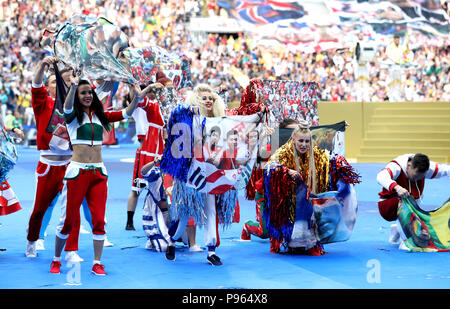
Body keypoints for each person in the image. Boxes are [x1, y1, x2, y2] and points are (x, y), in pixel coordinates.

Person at [50, 72, 153, 275]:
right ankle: (56, 259)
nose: (87, 95)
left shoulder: (101, 116)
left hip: (98, 173)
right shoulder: (71, 117)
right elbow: (67, 106)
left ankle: (97, 262)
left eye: (89, 92)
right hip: (77, 173)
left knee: (99, 220)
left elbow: (125, 113)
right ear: (77, 96)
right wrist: (72, 86)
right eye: (83, 93)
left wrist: (138, 98)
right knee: (67, 221)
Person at [263, 120, 360, 255]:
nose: (304, 145)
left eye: (307, 141)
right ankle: (279, 237)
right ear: (294, 140)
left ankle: (309, 241)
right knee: (269, 230)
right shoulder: (283, 152)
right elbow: (269, 167)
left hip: (307, 197)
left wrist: (340, 164)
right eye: (301, 141)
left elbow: (330, 159)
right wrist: (286, 172)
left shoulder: (315, 152)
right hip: (288, 198)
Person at [25, 56, 83, 258]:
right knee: (40, 209)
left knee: (72, 210)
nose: (58, 84)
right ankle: (32, 240)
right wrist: (42, 66)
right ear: (48, 87)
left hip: (69, 163)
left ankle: (71, 249)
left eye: (61, 82)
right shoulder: (42, 103)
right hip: (48, 165)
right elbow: (35, 83)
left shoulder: (75, 105)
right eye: (54, 82)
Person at [165, 83, 227, 266]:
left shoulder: (219, 120)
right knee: (184, 214)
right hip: (190, 172)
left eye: (211, 98)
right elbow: (173, 121)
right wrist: (186, 110)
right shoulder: (187, 117)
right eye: (204, 98)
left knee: (211, 211)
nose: (208, 101)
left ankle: (211, 251)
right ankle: (172, 241)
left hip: (210, 172)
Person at [376, 153, 450, 247]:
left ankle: (398, 229)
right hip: (387, 205)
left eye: (421, 177)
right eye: (415, 176)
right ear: (409, 165)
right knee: (405, 199)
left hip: (410, 204)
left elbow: (446, 169)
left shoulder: (427, 168)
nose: (417, 179)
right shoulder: (396, 166)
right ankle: (406, 239)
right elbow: (380, 176)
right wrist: (397, 187)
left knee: (415, 201)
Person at [125, 73, 169, 231]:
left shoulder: (163, 107)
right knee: (137, 188)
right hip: (145, 149)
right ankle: (130, 221)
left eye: (156, 91)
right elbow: (135, 97)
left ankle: (163, 222)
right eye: (152, 90)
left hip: (160, 149)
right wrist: (135, 86)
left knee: (162, 190)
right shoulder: (142, 105)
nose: (154, 93)